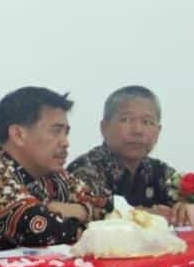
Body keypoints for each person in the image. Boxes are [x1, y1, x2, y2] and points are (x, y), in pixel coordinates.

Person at [0, 87, 109, 255]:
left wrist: (58, 208)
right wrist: (72, 212)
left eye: (66, 132)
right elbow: (46, 231)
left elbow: (107, 208)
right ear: (18, 135)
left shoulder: (52, 173)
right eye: (56, 131)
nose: (65, 142)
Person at [67, 85, 187, 225]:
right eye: (126, 120)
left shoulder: (158, 170)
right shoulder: (85, 169)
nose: (137, 130)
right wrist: (146, 215)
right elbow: (97, 214)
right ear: (104, 128)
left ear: (158, 131)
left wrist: (188, 206)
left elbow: (191, 202)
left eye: (147, 122)